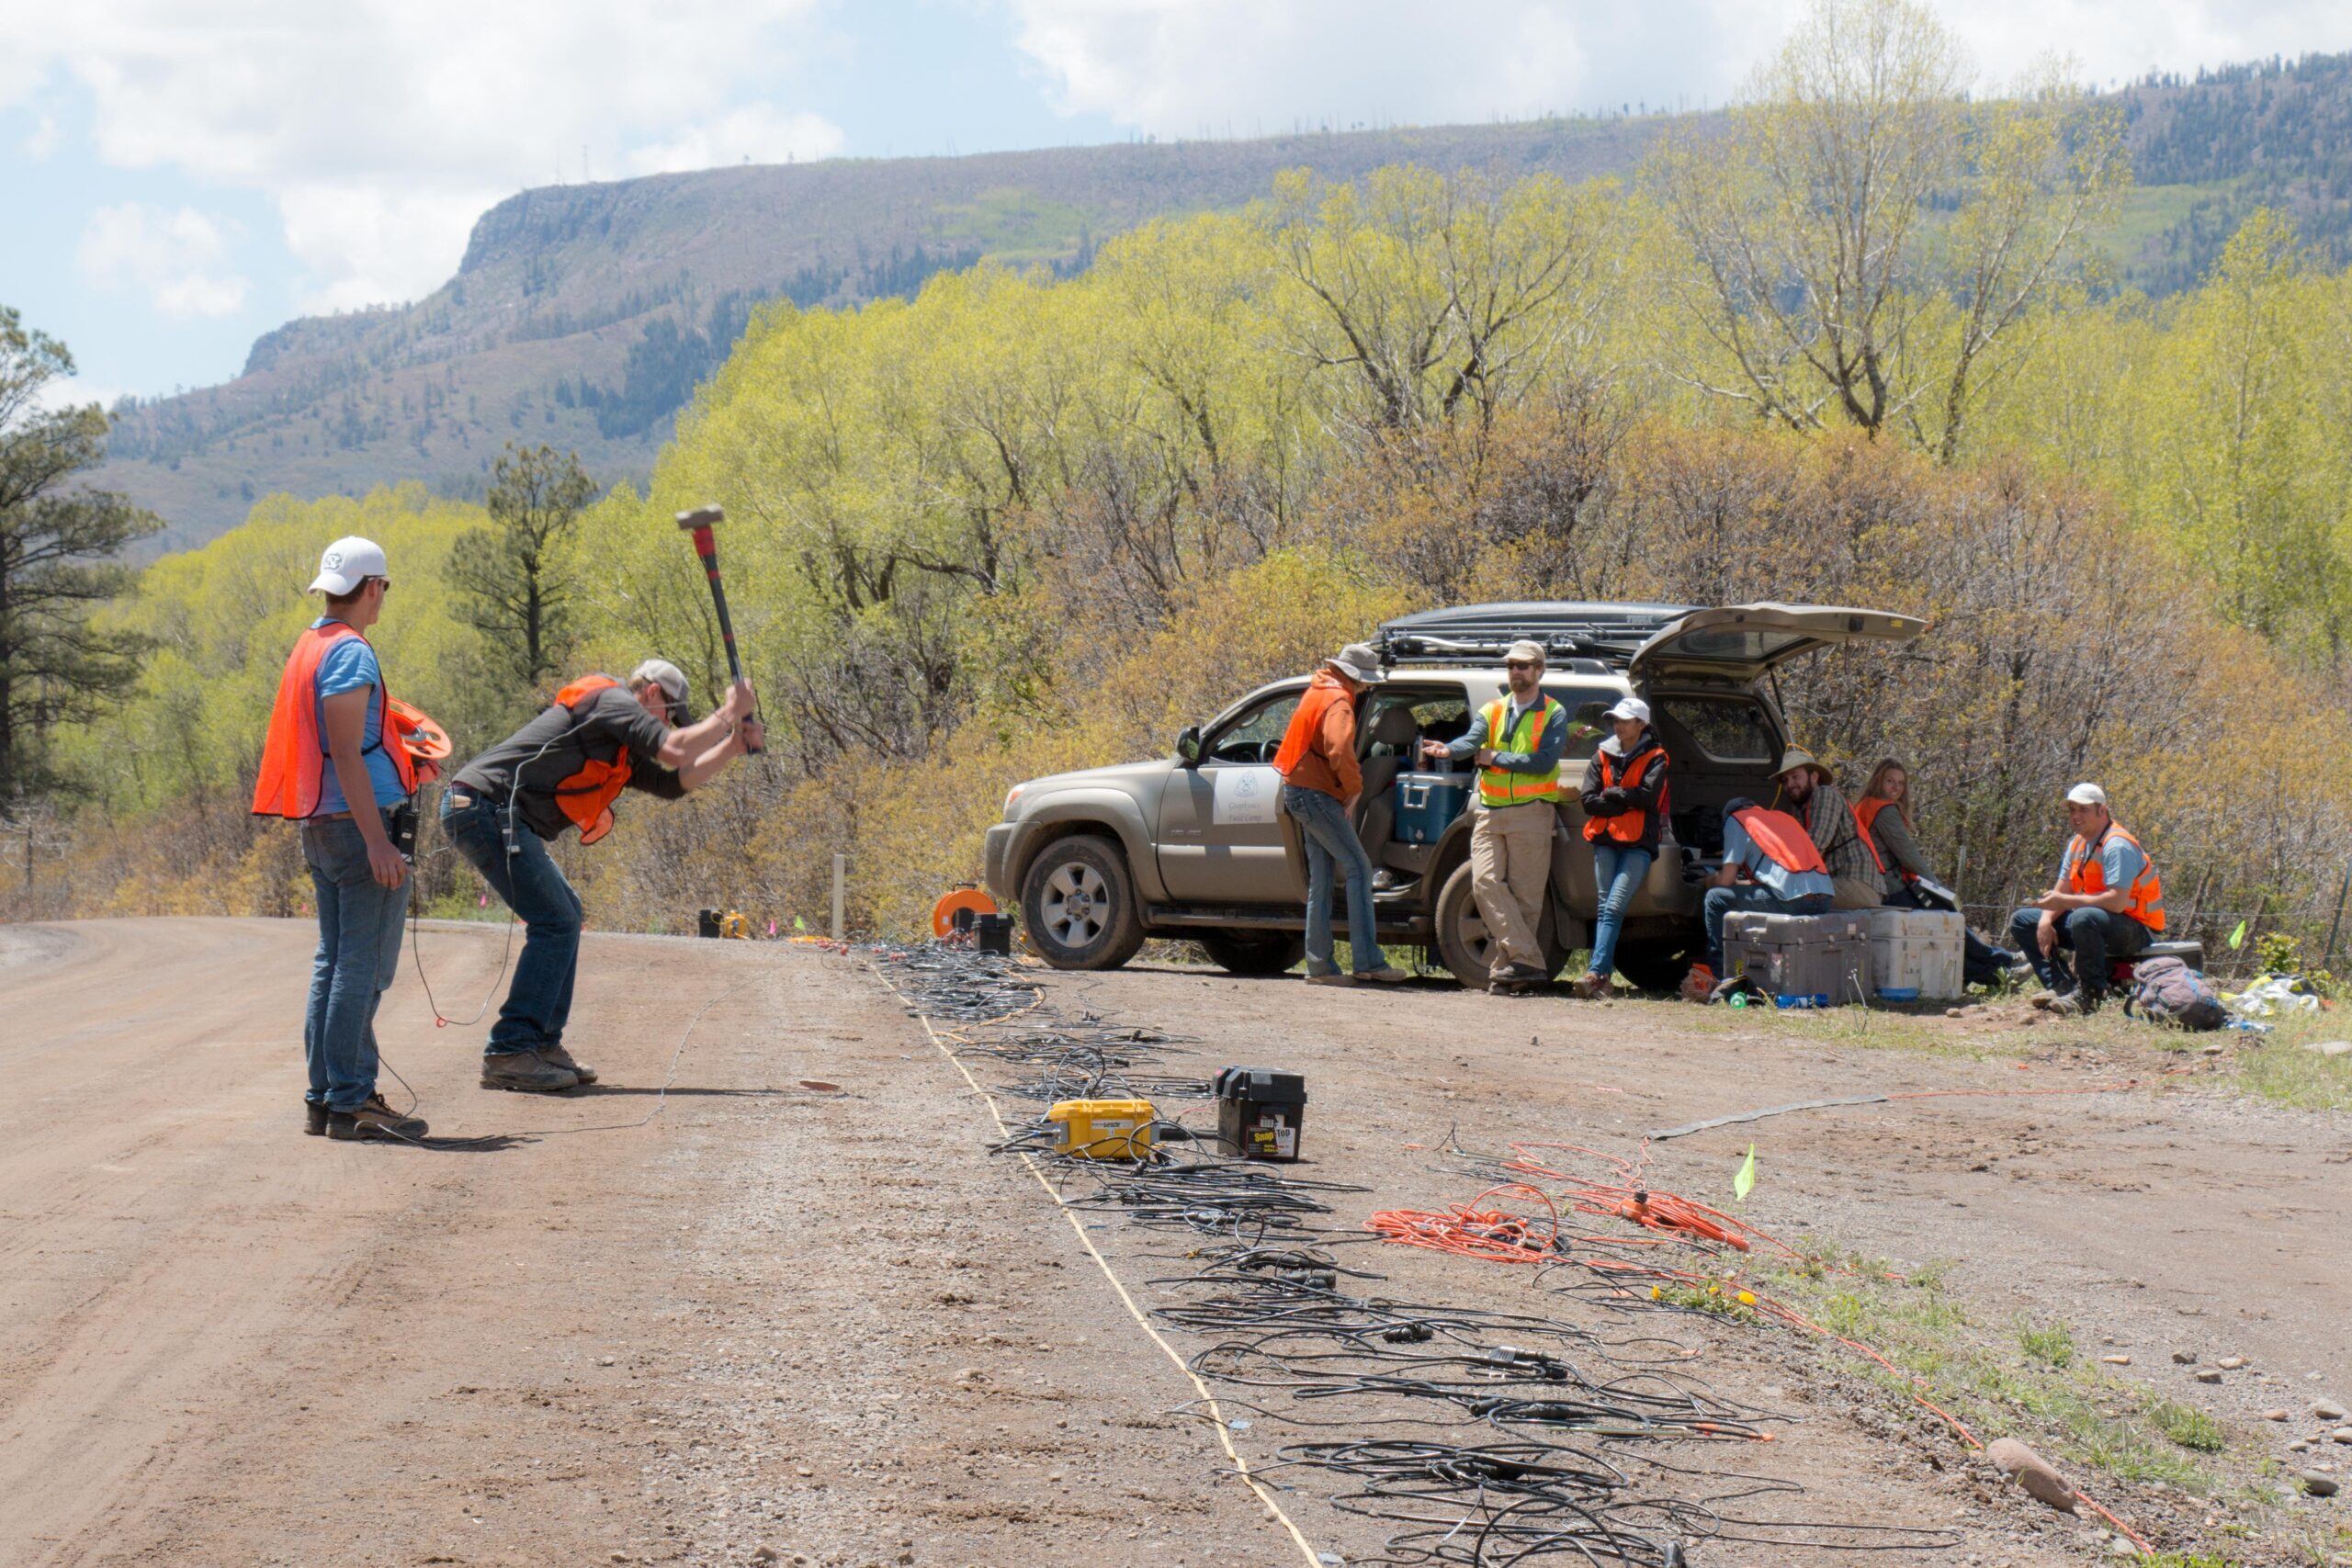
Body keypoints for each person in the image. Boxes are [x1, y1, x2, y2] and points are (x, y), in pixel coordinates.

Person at [443, 660, 763, 1090]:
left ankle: (539, 1043)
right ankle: (510, 1049)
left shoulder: (619, 745)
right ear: (650, 692)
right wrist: (729, 712)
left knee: (566, 913)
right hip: (483, 807)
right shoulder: (610, 700)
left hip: (495, 815)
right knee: (556, 920)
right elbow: (673, 749)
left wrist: (732, 747)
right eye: (668, 711)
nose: (667, 722)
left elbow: (672, 783)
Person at [252, 536, 429, 1143]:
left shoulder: (311, 644)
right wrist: (381, 841)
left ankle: (326, 1099)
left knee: (333, 962)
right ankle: (352, 1099)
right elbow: (347, 752)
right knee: (362, 966)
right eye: (385, 588)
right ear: (373, 586)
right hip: (359, 828)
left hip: (322, 824)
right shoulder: (350, 652)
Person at [1419, 639, 1570, 992]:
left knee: (1525, 898)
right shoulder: (1493, 709)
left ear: (1539, 670)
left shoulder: (1554, 712)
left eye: (1523, 665)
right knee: (1484, 883)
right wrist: (1449, 749)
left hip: (1532, 814)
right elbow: (1471, 742)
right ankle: (1528, 960)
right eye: (1511, 666)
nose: (1515, 671)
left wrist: (1495, 759)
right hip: (1490, 811)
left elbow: (1544, 762)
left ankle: (1509, 974)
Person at [1272, 644, 1409, 987]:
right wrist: (1354, 788)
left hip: (1300, 791)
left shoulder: (1318, 689)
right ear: (1357, 678)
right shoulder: (1339, 701)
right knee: (1359, 868)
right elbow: (1339, 748)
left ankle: (1319, 966)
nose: (1365, 688)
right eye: (1365, 682)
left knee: (1321, 878)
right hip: (1316, 795)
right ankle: (1368, 962)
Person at [1852, 759, 2018, 985]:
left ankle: (1998, 973)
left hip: (1873, 884)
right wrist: (1936, 886)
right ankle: (2003, 963)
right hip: (1890, 886)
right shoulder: (1883, 810)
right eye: (1890, 781)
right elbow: (1907, 853)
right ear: (1877, 781)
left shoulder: (1863, 806)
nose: (1895, 787)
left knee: (1938, 933)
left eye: (1901, 783)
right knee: (1946, 920)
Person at [2008, 783, 2165, 1016]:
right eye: (2072, 810)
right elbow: (2064, 887)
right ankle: (2062, 987)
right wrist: (2045, 922)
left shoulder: (2117, 845)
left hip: (2135, 929)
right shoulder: (2078, 843)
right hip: (2096, 922)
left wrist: (2066, 901)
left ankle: (2090, 994)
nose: (2076, 816)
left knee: (2083, 916)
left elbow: (2117, 903)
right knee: (2024, 921)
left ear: (2102, 811)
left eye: (2083, 810)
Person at [1686, 797, 1836, 1000]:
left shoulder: (1736, 820)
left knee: (1715, 898)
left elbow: (1726, 880)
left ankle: (1720, 978)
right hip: (1823, 897)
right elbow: (1774, 879)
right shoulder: (1783, 818)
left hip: (1792, 900)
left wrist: (1708, 880)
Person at [1568, 696, 1668, 999]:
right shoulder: (1602, 755)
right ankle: (1600, 977)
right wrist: (1625, 802)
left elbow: (1649, 798)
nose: (1618, 725)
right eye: (1615, 720)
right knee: (1605, 907)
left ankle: (1596, 974)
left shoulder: (1657, 756)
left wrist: (1612, 794)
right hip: (1605, 840)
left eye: (1625, 720)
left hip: (1638, 844)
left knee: (1612, 907)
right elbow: (1588, 801)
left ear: (1641, 724)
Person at [1772, 748, 1880, 909]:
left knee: (1785, 896)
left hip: (1856, 883)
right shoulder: (1801, 809)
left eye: (1795, 777)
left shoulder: (1825, 794)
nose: (1790, 784)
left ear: (1814, 776)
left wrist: (1775, 877)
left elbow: (1814, 846)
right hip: (1838, 881)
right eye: (1785, 780)